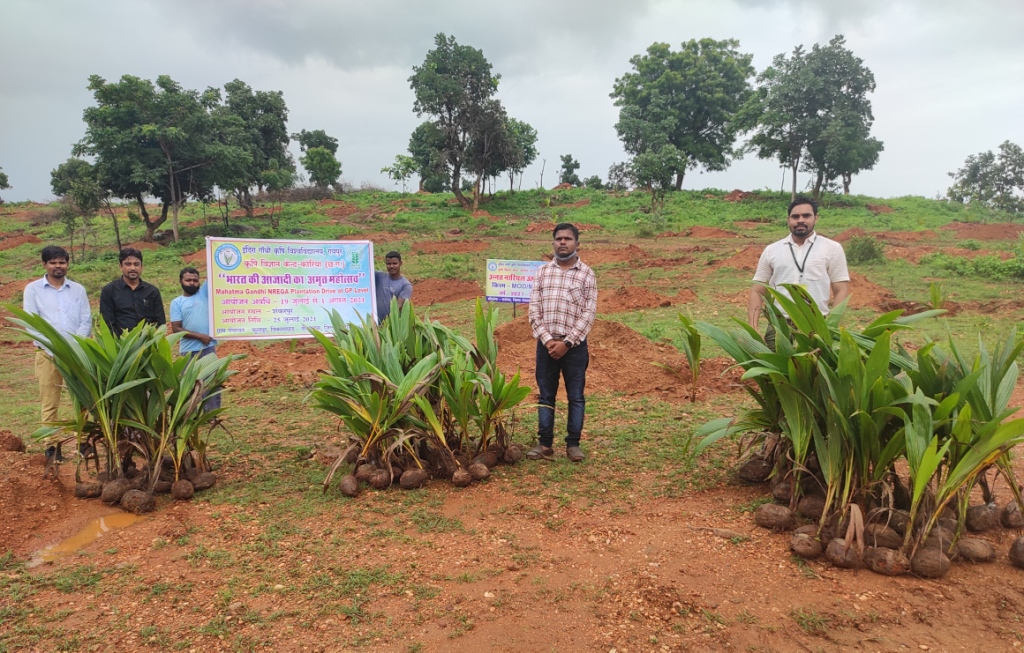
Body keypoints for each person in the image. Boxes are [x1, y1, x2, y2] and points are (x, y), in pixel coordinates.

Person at [527, 223, 597, 463]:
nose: (563, 242)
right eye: (559, 238)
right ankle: (544, 444)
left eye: (568, 238)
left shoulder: (587, 274)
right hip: (546, 347)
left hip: (575, 348)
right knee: (546, 396)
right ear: (553, 242)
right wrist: (548, 341)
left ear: (577, 243)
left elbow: (589, 313)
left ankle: (573, 444)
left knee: (575, 396)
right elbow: (534, 311)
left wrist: (567, 342)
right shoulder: (542, 273)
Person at [748, 195, 850, 349]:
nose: (800, 220)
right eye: (795, 216)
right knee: (774, 371)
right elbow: (757, 290)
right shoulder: (772, 250)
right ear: (788, 219)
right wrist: (753, 328)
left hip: (816, 324)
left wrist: (832, 326)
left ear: (816, 218)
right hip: (779, 325)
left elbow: (841, 289)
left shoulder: (832, 248)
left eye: (806, 216)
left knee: (815, 372)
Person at [23, 246, 92, 460]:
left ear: (67, 264)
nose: (58, 266)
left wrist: (73, 347)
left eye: (62, 262)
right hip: (47, 354)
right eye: (53, 262)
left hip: (76, 354)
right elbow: (32, 323)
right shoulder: (33, 290)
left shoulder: (77, 289)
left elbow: (86, 320)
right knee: (50, 401)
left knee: (82, 399)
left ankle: (82, 443)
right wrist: (52, 348)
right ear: (44, 264)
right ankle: (51, 447)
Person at [169, 267, 220, 410]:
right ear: (181, 281)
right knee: (189, 383)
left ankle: (211, 414)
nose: (192, 283)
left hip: (208, 348)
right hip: (188, 350)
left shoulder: (204, 294)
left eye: (195, 280)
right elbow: (176, 329)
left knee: (211, 381)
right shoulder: (177, 302)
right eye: (188, 280)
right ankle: (191, 413)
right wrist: (200, 336)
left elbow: (214, 274)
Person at [99, 247, 166, 335]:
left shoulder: (152, 291)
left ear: (142, 266)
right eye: (128, 264)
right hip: (121, 345)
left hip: (147, 343)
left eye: (136, 264)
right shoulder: (109, 291)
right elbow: (107, 323)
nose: (133, 268)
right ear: (120, 266)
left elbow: (160, 322)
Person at [374, 250, 412, 322]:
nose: (391, 266)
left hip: (392, 325)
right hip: (375, 324)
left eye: (395, 263)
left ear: (400, 263)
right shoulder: (379, 276)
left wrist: (386, 324)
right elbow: (364, 272)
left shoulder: (405, 285)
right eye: (389, 264)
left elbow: (397, 307)